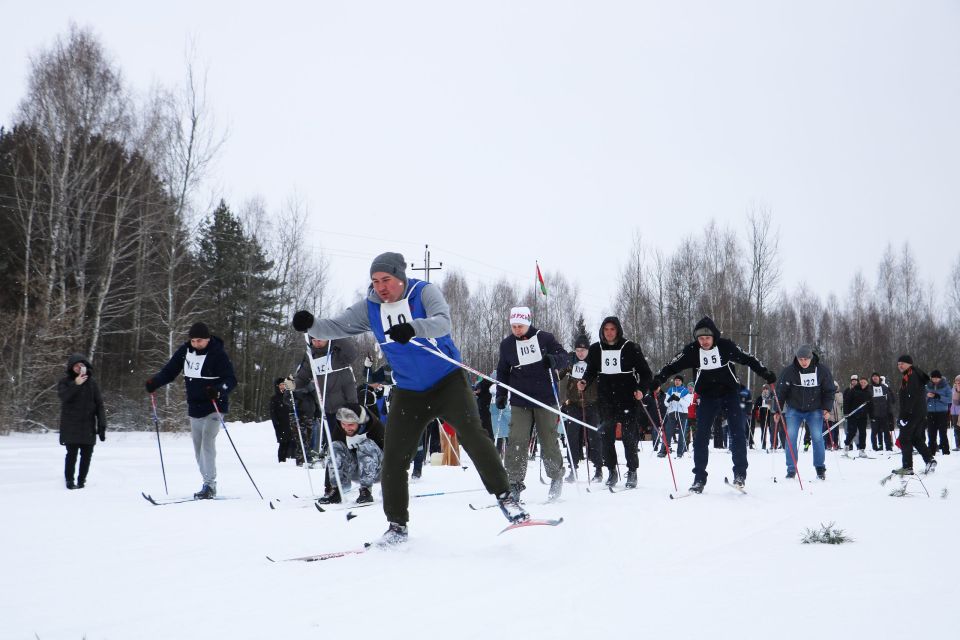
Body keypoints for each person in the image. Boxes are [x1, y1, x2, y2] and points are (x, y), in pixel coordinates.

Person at [291, 252, 528, 545]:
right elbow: (337, 326)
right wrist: (311, 324)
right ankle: (396, 526)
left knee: (473, 435)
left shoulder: (423, 293)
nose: (381, 287)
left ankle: (506, 496)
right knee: (394, 456)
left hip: (447, 382)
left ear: (400, 278)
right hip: (408, 390)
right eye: (375, 281)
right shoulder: (371, 308)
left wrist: (413, 328)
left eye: (386, 280)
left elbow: (443, 322)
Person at [650, 316, 776, 492]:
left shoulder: (726, 347)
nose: (704, 342)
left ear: (714, 337)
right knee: (701, 436)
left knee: (737, 432)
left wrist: (765, 373)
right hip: (707, 397)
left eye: (707, 338)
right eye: (701, 338)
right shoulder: (692, 351)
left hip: (730, 394)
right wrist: (658, 379)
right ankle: (699, 478)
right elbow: (672, 365)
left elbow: (748, 359)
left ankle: (740, 474)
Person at [144, 322, 237, 499]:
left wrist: (218, 390)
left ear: (207, 339)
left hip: (215, 406)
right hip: (195, 407)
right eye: (193, 340)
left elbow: (231, 380)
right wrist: (155, 382)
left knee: (207, 441)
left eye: (199, 341)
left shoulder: (217, 354)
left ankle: (210, 485)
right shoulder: (185, 351)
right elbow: (170, 371)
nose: (196, 344)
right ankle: (206, 482)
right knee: (198, 448)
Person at [495, 306, 569, 500]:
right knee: (517, 440)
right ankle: (514, 482)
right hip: (520, 400)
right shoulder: (507, 345)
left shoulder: (545, 338)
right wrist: (501, 394)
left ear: (528, 323)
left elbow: (565, 357)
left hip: (545, 398)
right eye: (514, 326)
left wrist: (554, 360)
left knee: (548, 440)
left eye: (520, 326)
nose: (517, 330)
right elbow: (503, 371)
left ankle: (555, 477)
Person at [576, 316, 652, 489]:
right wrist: (584, 382)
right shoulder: (596, 349)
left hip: (627, 399)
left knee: (628, 437)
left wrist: (641, 389)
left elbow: (646, 373)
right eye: (606, 329)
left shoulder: (630, 347)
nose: (609, 333)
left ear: (618, 330)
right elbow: (591, 371)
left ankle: (632, 471)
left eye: (612, 329)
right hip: (605, 400)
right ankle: (611, 470)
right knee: (606, 437)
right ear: (602, 331)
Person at [774, 344, 837, 480]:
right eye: (800, 359)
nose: (803, 362)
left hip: (814, 410)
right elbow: (780, 392)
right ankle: (791, 469)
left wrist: (826, 408)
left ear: (811, 357)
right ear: (797, 358)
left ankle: (820, 468)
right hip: (794, 409)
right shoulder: (789, 372)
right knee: (790, 437)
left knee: (817, 437)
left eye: (806, 359)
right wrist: (777, 410)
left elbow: (829, 390)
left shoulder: (822, 371)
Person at [293, 336, 359, 464]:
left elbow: (352, 354)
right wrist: (289, 385)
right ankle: (335, 465)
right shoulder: (310, 355)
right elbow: (302, 377)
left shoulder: (337, 350)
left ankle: (351, 463)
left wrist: (336, 336)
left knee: (346, 436)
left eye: (320, 339)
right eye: (314, 340)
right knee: (332, 438)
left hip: (346, 402)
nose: (317, 343)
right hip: (327, 405)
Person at [317, 403, 385, 505]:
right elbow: (333, 458)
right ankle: (337, 490)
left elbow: (392, 457)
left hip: (379, 471)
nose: (346, 428)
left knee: (366, 445)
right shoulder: (340, 429)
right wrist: (329, 487)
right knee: (335, 446)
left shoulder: (376, 428)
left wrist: (392, 486)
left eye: (351, 425)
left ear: (360, 422)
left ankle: (366, 491)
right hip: (354, 470)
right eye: (343, 424)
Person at [58, 354, 106, 489]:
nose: (79, 368)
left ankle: (81, 481)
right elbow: (64, 397)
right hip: (71, 426)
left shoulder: (92, 383)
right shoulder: (65, 382)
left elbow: (99, 405)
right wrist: (76, 384)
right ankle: (69, 480)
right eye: (76, 366)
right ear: (71, 367)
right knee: (71, 455)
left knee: (87, 456)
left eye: (82, 365)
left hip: (88, 427)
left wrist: (102, 425)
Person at [561, 335, 602, 482]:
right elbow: (558, 375)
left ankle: (598, 469)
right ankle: (573, 469)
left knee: (594, 436)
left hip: (592, 404)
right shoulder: (571, 362)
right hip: (573, 404)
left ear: (588, 350)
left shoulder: (594, 362)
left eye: (583, 350)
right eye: (578, 350)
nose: (580, 353)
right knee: (572, 436)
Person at [892, 355, 936, 476]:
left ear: (909, 364)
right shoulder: (912, 374)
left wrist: (905, 414)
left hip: (913, 413)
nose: (900, 366)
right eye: (898, 364)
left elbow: (911, 396)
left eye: (903, 363)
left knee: (904, 438)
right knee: (916, 438)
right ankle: (929, 460)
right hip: (919, 412)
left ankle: (907, 467)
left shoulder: (911, 375)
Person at [662, 375, 691, 458]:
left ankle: (680, 452)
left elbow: (687, 404)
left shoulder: (685, 391)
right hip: (672, 413)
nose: (677, 382)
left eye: (678, 380)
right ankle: (663, 451)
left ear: (681, 382)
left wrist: (678, 399)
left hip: (682, 413)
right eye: (675, 380)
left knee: (682, 433)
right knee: (668, 433)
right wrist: (669, 399)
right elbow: (666, 403)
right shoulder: (670, 390)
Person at [269, 377, 296, 462]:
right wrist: (276, 424)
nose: (283, 386)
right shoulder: (274, 399)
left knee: (292, 442)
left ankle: (292, 459)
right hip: (281, 425)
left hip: (290, 423)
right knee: (283, 443)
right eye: (281, 385)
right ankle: (281, 461)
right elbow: (273, 413)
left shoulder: (289, 396)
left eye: (284, 384)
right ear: (277, 386)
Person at [925, 369, 952, 456]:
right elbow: (922, 399)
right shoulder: (927, 386)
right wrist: (927, 396)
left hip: (942, 413)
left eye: (937, 378)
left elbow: (949, 399)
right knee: (931, 433)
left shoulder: (946, 386)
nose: (935, 380)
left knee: (943, 433)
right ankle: (931, 451)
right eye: (933, 378)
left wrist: (938, 396)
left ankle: (945, 451)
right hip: (930, 412)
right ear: (931, 378)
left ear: (940, 378)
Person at [845, 376, 873, 455]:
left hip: (863, 416)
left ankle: (862, 449)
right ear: (859, 383)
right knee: (852, 432)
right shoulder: (853, 390)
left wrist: (872, 416)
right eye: (861, 382)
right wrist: (846, 413)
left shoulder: (868, 392)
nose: (863, 384)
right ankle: (846, 445)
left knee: (863, 433)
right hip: (853, 415)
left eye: (865, 382)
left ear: (867, 383)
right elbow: (847, 402)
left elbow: (871, 406)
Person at [867, 372, 895, 452]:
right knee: (874, 432)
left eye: (876, 376)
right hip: (874, 414)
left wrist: (889, 412)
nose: (875, 378)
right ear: (872, 378)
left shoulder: (884, 387)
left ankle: (888, 447)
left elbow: (889, 400)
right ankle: (875, 447)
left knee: (886, 431)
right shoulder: (869, 388)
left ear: (879, 378)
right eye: (873, 376)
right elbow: (867, 401)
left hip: (884, 414)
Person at [951, 375, 960, 452]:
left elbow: (957, 402)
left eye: (959, 382)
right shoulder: (953, 389)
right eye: (956, 382)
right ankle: (958, 445)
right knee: (956, 429)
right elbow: (954, 402)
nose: (958, 383)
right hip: (954, 412)